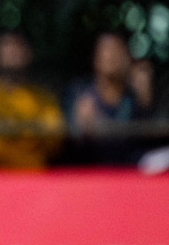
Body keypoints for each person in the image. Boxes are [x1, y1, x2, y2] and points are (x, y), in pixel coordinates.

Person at [0, 30, 64, 170]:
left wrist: (10, 132)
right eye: (7, 45)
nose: (13, 51)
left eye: (19, 44)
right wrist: (30, 136)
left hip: (35, 179)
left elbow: (53, 142)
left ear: (29, 53)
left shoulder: (43, 98)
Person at [64, 32, 154, 166]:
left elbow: (146, 143)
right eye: (106, 50)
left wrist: (145, 100)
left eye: (117, 51)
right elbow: (68, 143)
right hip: (89, 174)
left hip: (128, 174)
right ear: (96, 58)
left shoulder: (133, 99)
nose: (111, 56)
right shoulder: (80, 94)